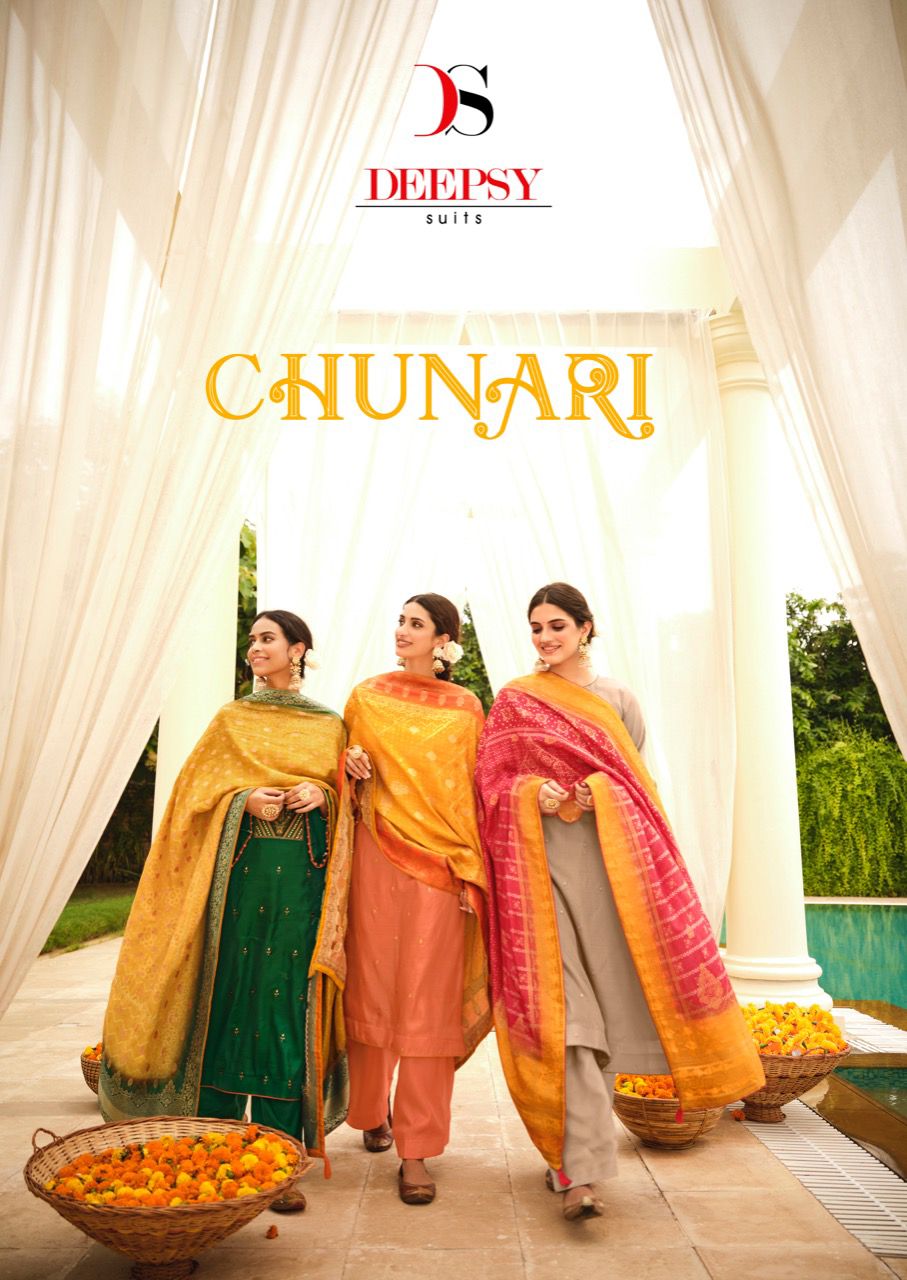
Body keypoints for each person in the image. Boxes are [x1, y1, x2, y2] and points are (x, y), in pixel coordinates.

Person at [474, 583, 763, 1221]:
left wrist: (595, 793)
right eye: (536, 628)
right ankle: (578, 1171)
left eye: (556, 625)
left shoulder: (619, 700)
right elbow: (489, 784)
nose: (545, 638)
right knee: (568, 1014)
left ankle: (570, 1154)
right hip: (538, 870)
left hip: (610, 873)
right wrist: (534, 793)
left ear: (585, 627)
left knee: (605, 1008)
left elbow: (636, 784)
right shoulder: (516, 700)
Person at [99, 610, 347, 1212]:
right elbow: (192, 799)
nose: (255, 648)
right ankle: (216, 1143)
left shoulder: (329, 725)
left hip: (303, 886)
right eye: (252, 640)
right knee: (228, 994)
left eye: (267, 639)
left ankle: (281, 1153)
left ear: (298, 649)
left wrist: (322, 794)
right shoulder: (232, 720)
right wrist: (241, 801)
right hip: (234, 885)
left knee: (287, 1001)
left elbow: (350, 801)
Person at [309, 594, 491, 1205]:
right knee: (374, 987)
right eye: (401, 621)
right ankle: (371, 1112)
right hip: (375, 857)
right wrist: (350, 761)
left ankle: (417, 1151)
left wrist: (469, 870)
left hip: (440, 867)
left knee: (427, 1005)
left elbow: (471, 789)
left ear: (443, 639)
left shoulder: (465, 707)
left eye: (416, 624)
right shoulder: (366, 696)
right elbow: (337, 768)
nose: (402, 631)